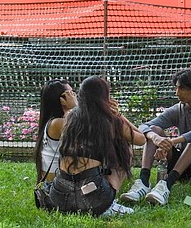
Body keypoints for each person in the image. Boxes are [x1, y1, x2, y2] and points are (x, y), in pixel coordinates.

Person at [120, 68, 191, 206]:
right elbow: (144, 126)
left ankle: (167, 185)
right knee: (155, 130)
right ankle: (144, 181)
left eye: (182, 88)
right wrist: (156, 138)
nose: (177, 92)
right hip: (183, 166)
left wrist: (174, 140)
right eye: (176, 87)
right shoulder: (178, 108)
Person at [49, 76, 145, 217]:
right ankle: (109, 205)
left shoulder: (70, 117)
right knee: (123, 146)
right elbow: (141, 139)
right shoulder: (109, 121)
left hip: (60, 197)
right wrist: (119, 115)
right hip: (93, 200)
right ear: (104, 96)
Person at [34, 79, 77, 203]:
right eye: (71, 93)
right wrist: (76, 107)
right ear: (62, 99)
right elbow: (89, 133)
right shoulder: (58, 123)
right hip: (58, 188)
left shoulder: (55, 121)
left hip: (55, 185)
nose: (75, 96)